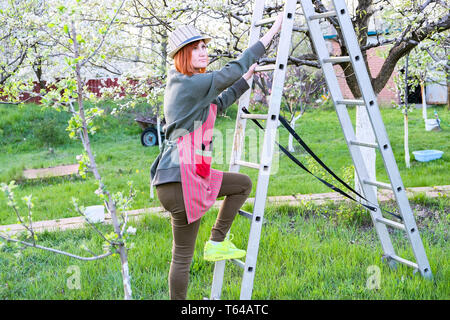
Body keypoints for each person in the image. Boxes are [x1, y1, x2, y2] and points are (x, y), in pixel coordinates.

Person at [150, 15, 283, 300]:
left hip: (178, 177)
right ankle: (211, 251)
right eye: (196, 48)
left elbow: (219, 102)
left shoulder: (189, 85)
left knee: (242, 184)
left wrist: (245, 80)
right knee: (183, 257)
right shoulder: (188, 83)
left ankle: (217, 242)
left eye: (203, 47)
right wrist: (272, 32)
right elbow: (231, 70)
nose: (203, 51)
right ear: (183, 55)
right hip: (181, 180)